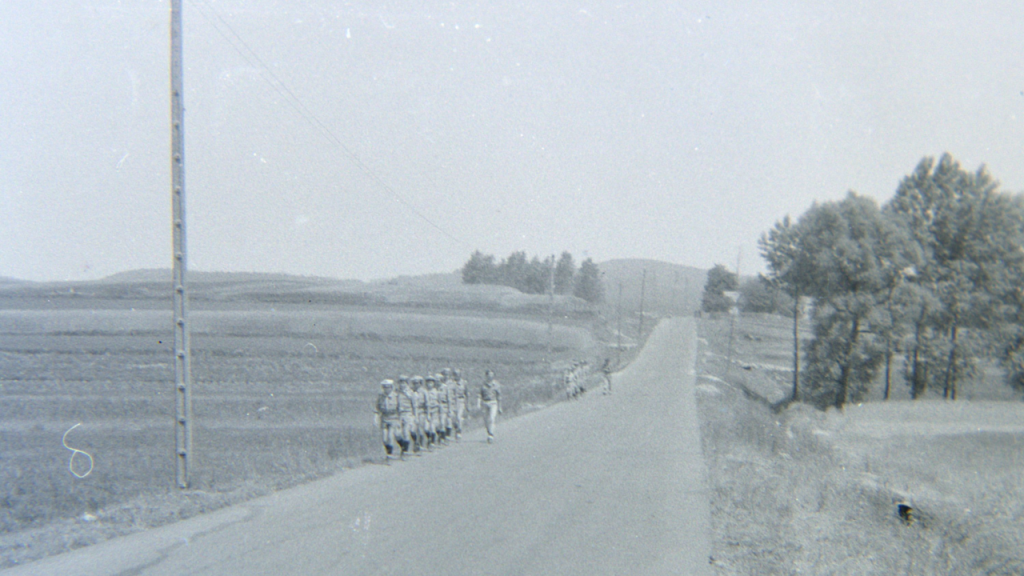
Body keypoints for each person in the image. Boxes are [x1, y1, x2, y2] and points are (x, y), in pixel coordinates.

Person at [374, 379, 400, 462]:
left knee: (390, 437)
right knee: (384, 438)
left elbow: (399, 409)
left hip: (393, 418)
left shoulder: (396, 396)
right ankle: (388, 452)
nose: (386, 389)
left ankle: (390, 455)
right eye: (384, 387)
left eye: (388, 387)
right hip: (384, 418)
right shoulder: (380, 397)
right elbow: (377, 409)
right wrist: (375, 419)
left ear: (391, 387)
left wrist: (399, 420)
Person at [478, 369, 502, 443]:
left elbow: (499, 396)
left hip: (493, 403)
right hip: (485, 403)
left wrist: (500, 407)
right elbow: (479, 395)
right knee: (486, 420)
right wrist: (478, 403)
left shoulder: (496, 384)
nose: (490, 376)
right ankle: (489, 432)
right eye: (489, 375)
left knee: (491, 418)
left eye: (492, 375)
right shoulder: (483, 385)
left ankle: (491, 435)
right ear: (486, 376)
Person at [396, 376, 416, 458]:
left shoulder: (411, 393)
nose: (402, 385)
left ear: (407, 384)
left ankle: (405, 451)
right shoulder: (396, 392)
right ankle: (403, 446)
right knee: (397, 434)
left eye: (404, 383)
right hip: (399, 414)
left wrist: (414, 416)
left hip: (408, 414)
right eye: (400, 383)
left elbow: (414, 405)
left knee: (406, 432)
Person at [411, 375, 428, 452]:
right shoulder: (411, 391)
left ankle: (420, 445)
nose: (415, 385)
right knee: (412, 430)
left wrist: (428, 414)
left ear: (420, 383)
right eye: (414, 383)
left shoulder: (424, 391)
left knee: (421, 430)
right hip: (413, 412)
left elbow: (427, 403)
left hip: (421, 412)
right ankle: (415, 442)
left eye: (417, 383)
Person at [451, 368, 468, 440]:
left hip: (460, 401)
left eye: (458, 374)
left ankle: (459, 432)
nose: (456, 376)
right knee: (452, 418)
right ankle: (456, 428)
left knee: (459, 417)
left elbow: (466, 394)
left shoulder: (464, 383)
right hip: (452, 401)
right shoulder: (450, 383)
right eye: (455, 374)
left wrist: (467, 404)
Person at [424, 375, 441, 449]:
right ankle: (429, 438)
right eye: (428, 382)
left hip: (434, 411)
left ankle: (432, 442)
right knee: (426, 428)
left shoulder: (437, 392)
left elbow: (439, 403)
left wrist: (440, 413)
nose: (429, 384)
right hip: (426, 411)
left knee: (432, 427)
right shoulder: (424, 392)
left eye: (431, 382)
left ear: (433, 383)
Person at [436, 372, 451, 444]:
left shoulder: (445, 387)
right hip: (436, 407)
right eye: (436, 380)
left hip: (443, 406)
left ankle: (442, 438)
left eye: (438, 380)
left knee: (442, 422)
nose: (437, 382)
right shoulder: (434, 388)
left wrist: (449, 409)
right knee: (436, 423)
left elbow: (449, 399)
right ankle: (438, 436)